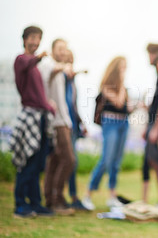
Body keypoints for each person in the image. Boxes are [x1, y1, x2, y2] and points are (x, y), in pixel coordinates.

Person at [9, 26, 55, 218]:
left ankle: (35, 203)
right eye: (33, 38)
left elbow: (39, 95)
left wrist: (49, 106)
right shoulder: (22, 60)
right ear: (25, 39)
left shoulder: (35, 67)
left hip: (42, 116)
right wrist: (39, 57)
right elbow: (28, 63)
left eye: (38, 38)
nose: (35, 42)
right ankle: (20, 204)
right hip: (30, 117)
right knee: (27, 162)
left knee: (37, 164)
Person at [82, 56, 134, 210]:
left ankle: (112, 196)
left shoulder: (123, 88)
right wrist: (122, 84)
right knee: (106, 159)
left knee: (116, 162)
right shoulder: (106, 86)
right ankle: (88, 194)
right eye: (122, 67)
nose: (124, 70)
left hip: (124, 123)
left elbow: (128, 107)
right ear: (115, 68)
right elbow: (118, 101)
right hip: (110, 123)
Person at [40, 38, 76, 215]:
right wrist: (64, 67)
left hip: (63, 121)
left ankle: (50, 199)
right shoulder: (49, 64)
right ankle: (57, 200)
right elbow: (51, 71)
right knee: (69, 160)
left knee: (54, 161)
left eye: (65, 48)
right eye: (60, 48)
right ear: (52, 49)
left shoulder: (59, 68)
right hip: (56, 122)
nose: (63, 51)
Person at [142, 43, 158, 204]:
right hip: (152, 122)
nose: (149, 58)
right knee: (153, 160)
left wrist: (156, 128)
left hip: (157, 125)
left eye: (150, 54)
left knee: (157, 160)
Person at [64, 49, 89, 210]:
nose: (70, 65)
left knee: (71, 161)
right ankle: (61, 196)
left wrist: (81, 123)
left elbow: (73, 106)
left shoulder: (72, 83)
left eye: (71, 61)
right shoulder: (64, 79)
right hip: (63, 125)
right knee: (69, 161)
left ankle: (72, 196)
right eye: (67, 61)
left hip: (72, 126)